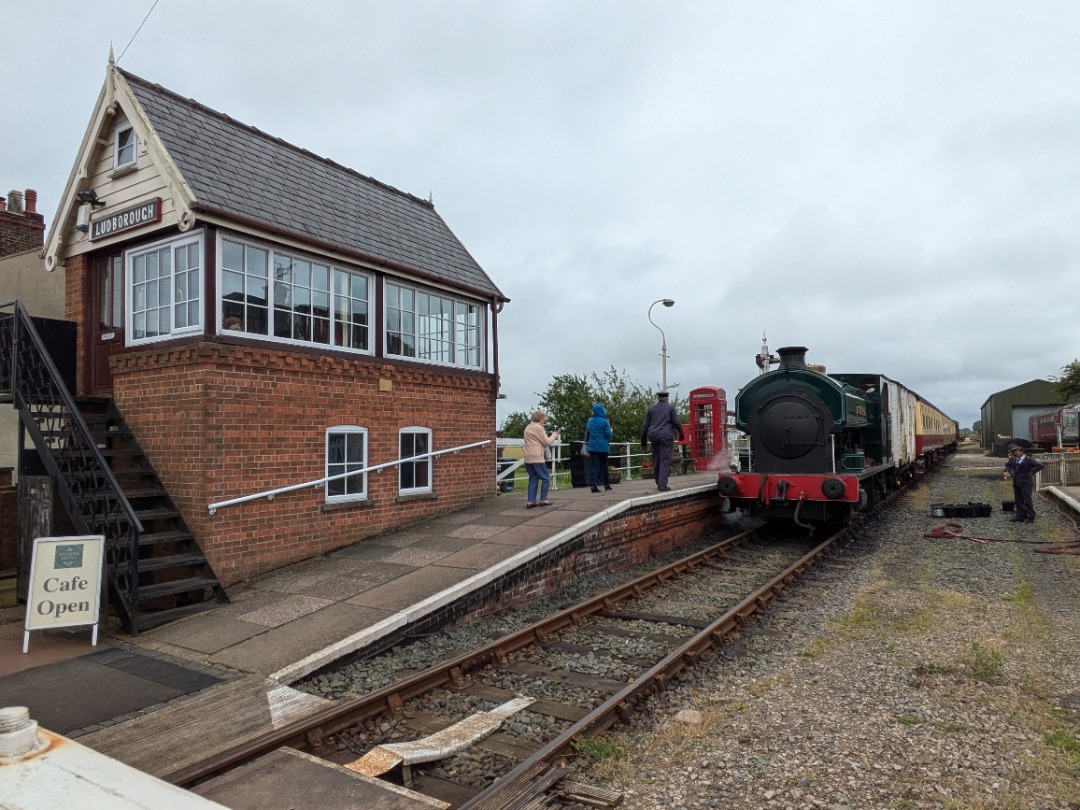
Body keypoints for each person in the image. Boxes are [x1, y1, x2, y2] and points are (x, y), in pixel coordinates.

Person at [640, 391, 684, 492]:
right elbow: (676, 422)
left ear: (658, 398)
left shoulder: (651, 409)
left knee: (656, 458)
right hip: (666, 436)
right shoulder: (671, 408)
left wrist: (643, 439)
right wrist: (681, 434)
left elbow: (645, 425)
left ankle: (658, 481)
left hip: (653, 436)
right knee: (665, 460)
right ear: (667, 398)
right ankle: (662, 484)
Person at [523, 410, 560, 508]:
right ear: (540, 419)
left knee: (533, 478)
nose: (545, 421)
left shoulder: (527, 427)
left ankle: (531, 501)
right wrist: (554, 435)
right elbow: (547, 442)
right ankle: (543, 499)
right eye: (544, 419)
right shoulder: (538, 428)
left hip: (527, 456)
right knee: (545, 478)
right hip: (537, 456)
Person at [1004, 444, 1044, 523]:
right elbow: (1007, 465)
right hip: (1017, 483)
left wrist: (1031, 472)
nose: (1015, 454)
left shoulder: (1028, 460)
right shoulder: (1014, 460)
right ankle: (1019, 516)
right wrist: (1011, 471)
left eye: (1016, 452)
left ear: (1022, 452)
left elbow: (1040, 465)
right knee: (1018, 500)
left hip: (1025, 483)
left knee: (1027, 500)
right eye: (1014, 452)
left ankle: (1031, 517)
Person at [585, 402, 614, 493]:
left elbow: (588, 433)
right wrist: (611, 430)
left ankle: (593, 485)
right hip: (603, 447)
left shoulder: (590, 421)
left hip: (593, 447)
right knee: (604, 466)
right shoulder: (605, 421)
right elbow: (609, 435)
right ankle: (607, 484)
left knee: (594, 467)